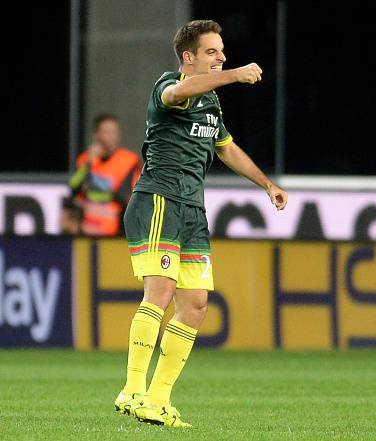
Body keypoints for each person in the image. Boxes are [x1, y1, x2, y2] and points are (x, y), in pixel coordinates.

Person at [113, 20, 288, 427]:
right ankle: (132, 390)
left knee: (195, 304)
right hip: (159, 200)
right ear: (188, 57)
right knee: (160, 291)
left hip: (193, 210)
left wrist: (267, 184)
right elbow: (178, 93)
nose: (221, 57)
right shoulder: (168, 86)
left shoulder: (211, 104)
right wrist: (235, 74)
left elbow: (226, 149)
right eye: (212, 52)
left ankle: (158, 399)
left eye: (223, 51)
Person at [64, 114, 141, 236]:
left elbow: (123, 196)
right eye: (107, 132)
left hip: (114, 232)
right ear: (96, 135)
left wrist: (91, 195)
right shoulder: (85, 159)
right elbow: (73, 189)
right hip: (86, 229)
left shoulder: (129, 161)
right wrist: (87, 165)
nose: (112, 137)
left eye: (115, 132)